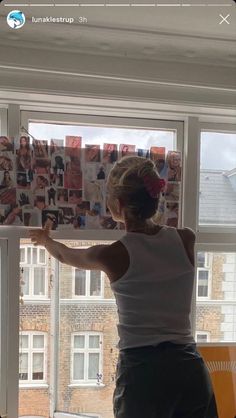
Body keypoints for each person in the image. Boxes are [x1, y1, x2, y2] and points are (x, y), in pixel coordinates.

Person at [29, 155, 218, 418]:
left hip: (143, 374)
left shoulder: (113, 255)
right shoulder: (186, 238)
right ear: (155, 200)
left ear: (118, 205)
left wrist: (45, 240)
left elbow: (65, 255)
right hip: (188, 369)